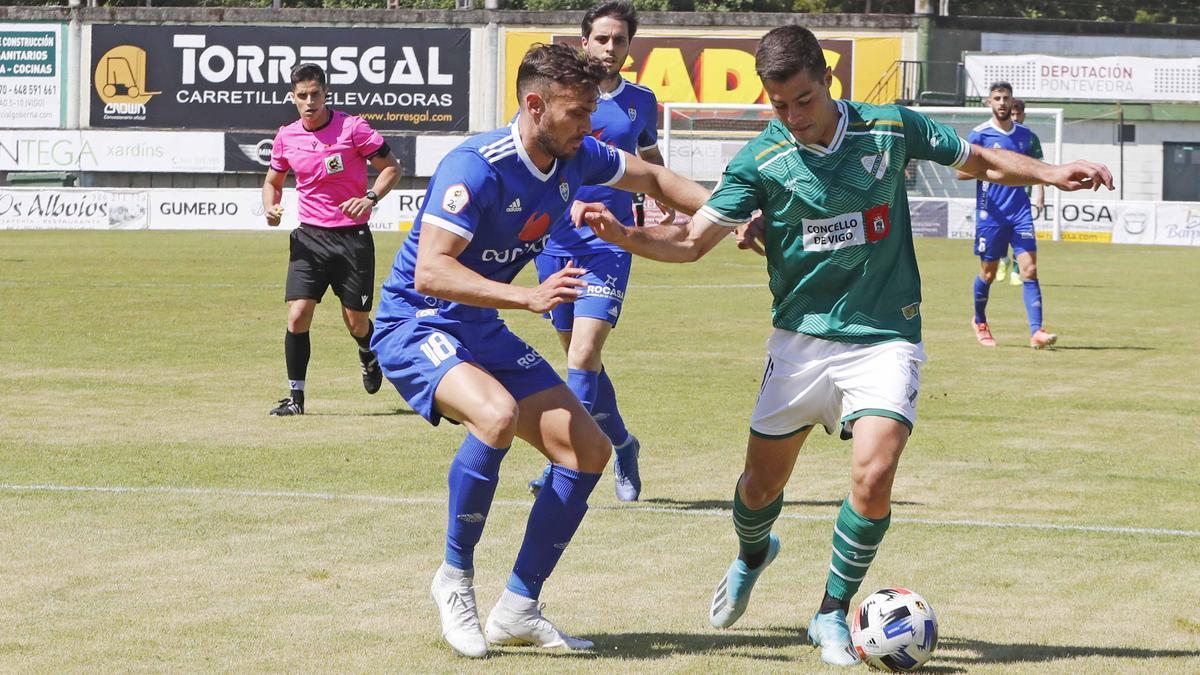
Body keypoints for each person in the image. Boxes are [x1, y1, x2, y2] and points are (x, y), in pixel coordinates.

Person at [576, 25, 1112, 666]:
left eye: (803, 100)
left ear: (826, 81)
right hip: (800, 341)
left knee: (875, 474)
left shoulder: (890, 129)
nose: (793, 117)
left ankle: (831, 611)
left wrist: (1052, 172)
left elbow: (980, 159)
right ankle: (753, 553)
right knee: (757, 490)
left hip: (887, 335)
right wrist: (621, 236)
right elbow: (690, 242)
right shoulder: (760, 162)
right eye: (779, 105)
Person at [370, 43, 709, 658]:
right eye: (579, 113)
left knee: (587, 450)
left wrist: (735, 215)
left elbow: (656, 178)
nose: (590, 125)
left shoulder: (577, 156)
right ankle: (454, 580)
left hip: (480, 326)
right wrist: (525, 298)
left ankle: (519, 607)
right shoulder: (476, 165)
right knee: (495, 414)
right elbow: (430, 272)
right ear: (535, 105)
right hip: (415, 323)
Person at [527, 0, 669, 502]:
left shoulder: (642, 101)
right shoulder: (557, 94)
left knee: (585, 354)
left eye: (620, 40)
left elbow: (649, 156)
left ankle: (563, 462)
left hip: (611, 242)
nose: (611, 48)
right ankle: (624, 444)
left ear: (630, 46)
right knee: (578, 361)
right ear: (584, 40)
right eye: (602, 39)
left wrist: (663, 195)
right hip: (556, 241)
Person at [262, 63, 400, 415]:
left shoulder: (352, 128)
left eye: (315, 95)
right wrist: (271, 207)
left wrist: (370, 198)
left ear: (327, 95)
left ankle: (368, 353)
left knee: (356, 321)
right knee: (297, 316)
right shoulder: (286, 136)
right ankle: (296, 398)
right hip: (309, 239)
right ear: (292, 98)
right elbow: (272, 182)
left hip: (352, 239)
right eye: (302, 96)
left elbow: (391, 167)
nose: (310, 102)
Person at [956, 83, 1057, 349]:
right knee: (988, 274)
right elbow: (960, 172)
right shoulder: (979, 135)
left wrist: (1042, 188)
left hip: (1020, 212)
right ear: (989, 103)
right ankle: (979, 321)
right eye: (997, 98)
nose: (1002, 102)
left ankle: (1037, 331)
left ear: (1012, 102)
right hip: (992, 214)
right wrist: (992, 166)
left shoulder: (1025, 136)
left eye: (1006, 98)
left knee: (1030, 270)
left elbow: (1039, 168)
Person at [997, 98, 1045, 286]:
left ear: (1023, 115)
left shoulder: (1030, 138)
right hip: (998, 196)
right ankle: (1004, 260)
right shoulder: (1000, 136)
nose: (1015, 117)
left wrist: (1040, 193)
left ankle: (1017, 272)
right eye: (1012, 114)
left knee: (1022, 236)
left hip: (1021, 198)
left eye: (1018, 114)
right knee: (998, 237)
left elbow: (1040, 167)